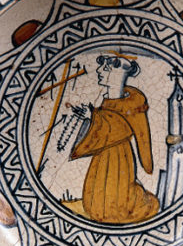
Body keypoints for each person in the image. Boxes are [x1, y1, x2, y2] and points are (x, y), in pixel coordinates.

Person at [66, 52, 159, 224]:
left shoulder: (132, 103)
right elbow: (105, 126)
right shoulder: (108, 101)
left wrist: (93, 117)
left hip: (118, 157)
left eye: (106, 68)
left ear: (118, 73)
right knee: (97, 196)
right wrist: (92, 117)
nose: (99, 71)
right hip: (104, 155)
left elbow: (115, 128)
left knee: (115, 197)